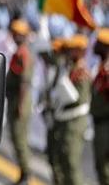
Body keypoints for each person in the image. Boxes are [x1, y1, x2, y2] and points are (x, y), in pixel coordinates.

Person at [50, 33, 91, 185]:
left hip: (74, 121)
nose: (69, 52)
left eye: (73, 49)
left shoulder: (82, 72)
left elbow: (78, 100)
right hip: (66, 119)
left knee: (70, 161)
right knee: (61, 159)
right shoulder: (70, 68)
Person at [5, 19, 34, 185]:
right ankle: (24, 173)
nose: (14, 37)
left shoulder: (24, 54)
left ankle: (26, 174)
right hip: (15, 100)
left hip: (19, 101)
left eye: (17, 34)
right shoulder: (19, 52)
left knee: (20, 138)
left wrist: (20, 106)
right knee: (16, 138)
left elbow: (24, 82)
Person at [91, 28, 109, 185]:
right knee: (100, 165)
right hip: (100, 123)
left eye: (99, 44)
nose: (95, 46)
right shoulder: (102, 67)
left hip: (106, 125)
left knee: (104, 168)